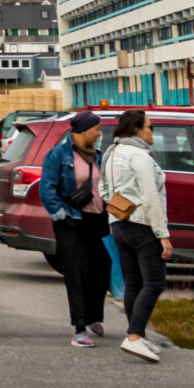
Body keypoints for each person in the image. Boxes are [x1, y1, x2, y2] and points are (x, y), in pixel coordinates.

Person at [102, 107, 169, 363]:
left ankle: (137, 334)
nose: (153, 131)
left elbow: (104, 190)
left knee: (134, 281)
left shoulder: (112, 153)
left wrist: (120, 212)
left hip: (119, 224)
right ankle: (134, 337)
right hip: (143, 225)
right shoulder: (139, 156)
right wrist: (162, 234)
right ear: (137, 129)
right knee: (154, 282)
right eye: (150, 126)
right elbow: (151, 196)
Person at [40, 109, 113, 347]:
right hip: (71, 220)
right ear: (83, 131)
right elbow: (47, 188)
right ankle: (80, 328)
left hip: (98, 219)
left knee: (102, 268)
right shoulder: (59, 155)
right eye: (97, 129)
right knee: (77, 272)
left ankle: (94, 316)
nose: (99, 133)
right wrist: (60, 214)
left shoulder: (98, 156)